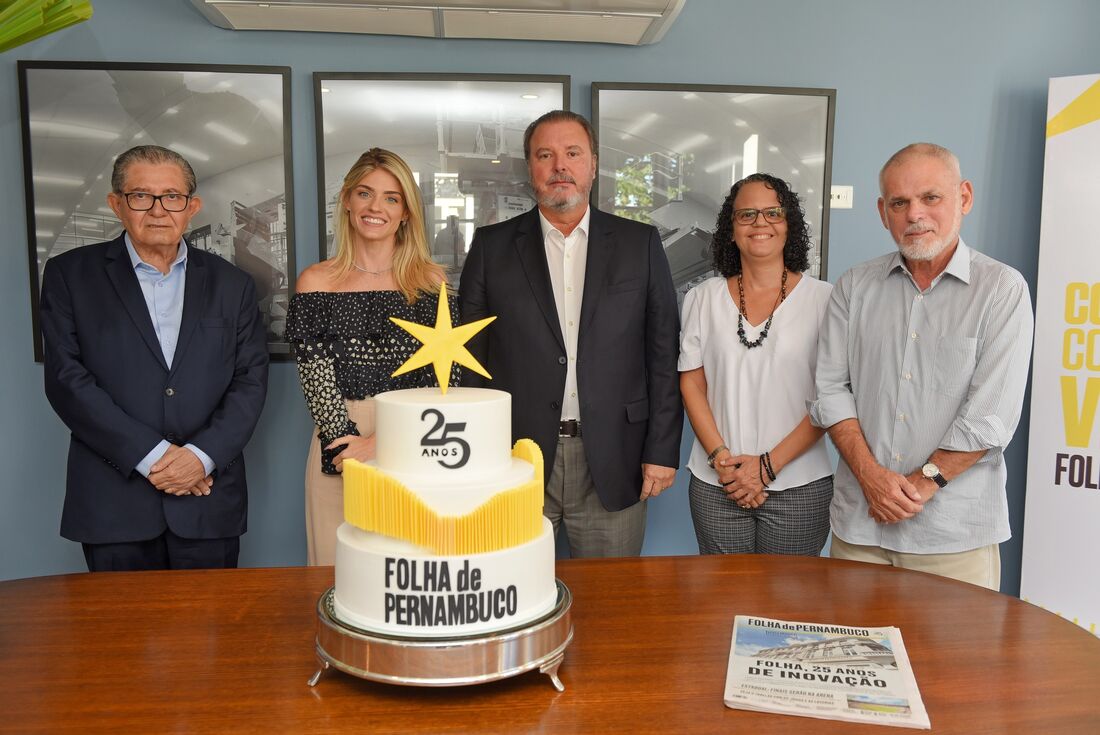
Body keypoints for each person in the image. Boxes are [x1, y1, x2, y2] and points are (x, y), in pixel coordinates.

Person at [810, 143, 1034, 590]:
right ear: (882, 211)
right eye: (899, 202)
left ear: (963, 198)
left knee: (951, 663)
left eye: (930, 197)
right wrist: (873, 481)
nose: (914, 214)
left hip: (952, 537)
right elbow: (830, 391)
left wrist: (920, 486)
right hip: (860, 529)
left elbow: (991, 416)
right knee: (847, 659)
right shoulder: (854, 286)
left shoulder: (1002, 290)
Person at [459, 110, 682, 558]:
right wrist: (476, 456)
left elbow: (662, 354)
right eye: (546, 154)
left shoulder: (640, 244)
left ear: (593, 165)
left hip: (616, 456)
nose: (560, 166)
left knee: (609, 604)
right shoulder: (491, 246)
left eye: (572, 153)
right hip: (514, 457)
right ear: (531, 168)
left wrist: (662, 449)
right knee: (512, 597)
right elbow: (471, 362)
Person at [40, 145, 269, 571]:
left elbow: (250, 382)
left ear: (191, 207)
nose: (158, 210)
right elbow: (66, 380)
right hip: (115, 503)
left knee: (212, 637)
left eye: (172, 197)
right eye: (141, 196)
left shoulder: (232, 284)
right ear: (117, 204)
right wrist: (158, 458)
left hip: (208, 500)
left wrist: (199, 457)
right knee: (120, 636)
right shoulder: (69, 276)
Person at [286, 148, 457, 566]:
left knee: (411, 571)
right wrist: (350, 446)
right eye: (365, 193)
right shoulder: (315, 280)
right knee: (336, 570)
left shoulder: (431, 282)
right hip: (339, 439)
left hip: (419, 437)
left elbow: (444, 381)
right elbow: (316, 379)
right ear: (347, 200)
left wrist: (384, 443)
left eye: (391, 198)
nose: (375, 207)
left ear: (406, 213)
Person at [679, 174, 834, 555]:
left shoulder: (827, 300)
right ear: (730, 230)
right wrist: (723, 461)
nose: (760, 223)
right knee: (723, 602)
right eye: (746, 214)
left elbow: (831, 396)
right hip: (718, 483)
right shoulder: (701, 298)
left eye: (772, 213)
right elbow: (692, 384)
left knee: (790, 608)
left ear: (789, 225)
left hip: (800, 485)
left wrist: (765, 468)